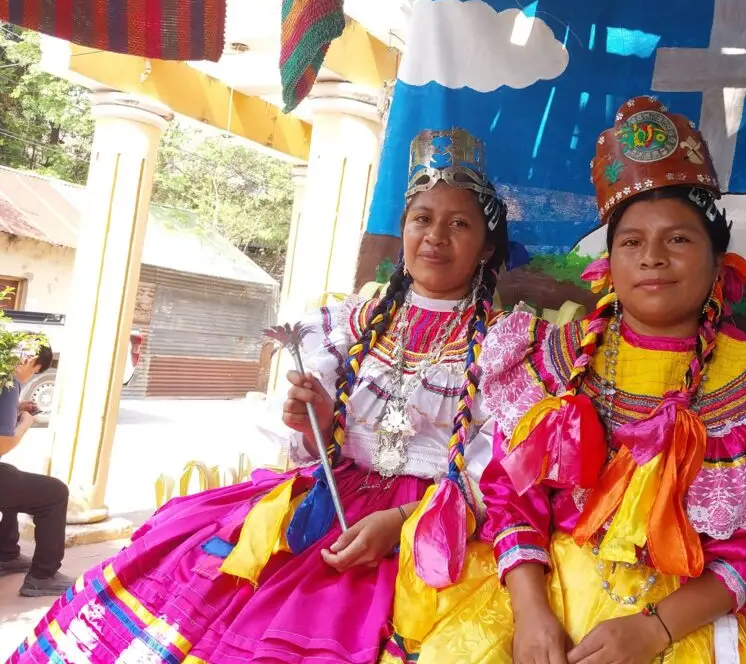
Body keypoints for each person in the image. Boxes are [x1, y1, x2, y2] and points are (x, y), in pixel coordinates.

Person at [12, 128, 513, 664]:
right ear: (404, 229)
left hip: (430, 522)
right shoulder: (349, 324)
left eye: (459, 223)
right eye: (422, 218)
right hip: (327, 499)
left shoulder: (510, 344)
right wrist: (317, 422)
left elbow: (500, 475)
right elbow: (317, 444)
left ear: (486, 246)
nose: (435, 235)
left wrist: (406, 523)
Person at [385, 97, 746, 664]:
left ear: (717, 260)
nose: (652, 258)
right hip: (537, 599)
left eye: (678, 239)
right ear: (609, 264)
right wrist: (531, 615)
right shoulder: (556, 361)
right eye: (632, 242)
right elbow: (514, 498)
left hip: (676, 622)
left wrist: (654, 631)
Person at [0, 344, 73, 598]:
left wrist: (17, 407)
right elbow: (2, 444)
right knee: (55, 492)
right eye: (35, 371)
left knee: (11, 476)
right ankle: (43, 576)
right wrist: (26, 423)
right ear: (30, 362)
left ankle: (6, 554)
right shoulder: (8, 383)